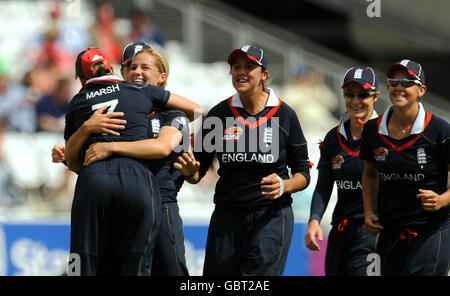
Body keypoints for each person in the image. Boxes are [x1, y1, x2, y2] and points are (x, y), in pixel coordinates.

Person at [174, 45, 311, 276]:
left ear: (264, 74)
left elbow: (303, 174)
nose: (241, 72)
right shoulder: (218, 115)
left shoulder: (285, 115)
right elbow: (197, 173)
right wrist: (189, 171)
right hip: (227, 217)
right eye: (236, 67)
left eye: (249, 66)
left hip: (271, 216)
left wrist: (284, 185)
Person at [64, 47, 201, 276]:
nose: (136, 71)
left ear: (162, 76)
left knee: (171, 271)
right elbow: (78, 160)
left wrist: (109, 147)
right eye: (131, 66)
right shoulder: (127, 101)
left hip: (162, 200)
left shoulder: (172, 114)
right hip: (136, 194)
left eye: (144, 67)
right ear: (120, 71)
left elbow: (163, 147)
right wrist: (80, 143)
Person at [360, 59, 450, 276]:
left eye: (407, 82)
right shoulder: (373, 130)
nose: (398, 87)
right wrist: (369, 211)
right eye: (393, 82)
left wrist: (442, 200)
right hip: (389, 229)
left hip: (430, 230)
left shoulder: (439, 130)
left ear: (421, 90)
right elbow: (370, 174)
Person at [305, 66, 379, 275]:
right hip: (340, 230)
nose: (355, 101)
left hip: (372, 232)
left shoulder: (386, 135)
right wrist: (314, 220)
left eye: (363, 94)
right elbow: (324, 184)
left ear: (375, 97)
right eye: (349, 94)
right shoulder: (332, 138)